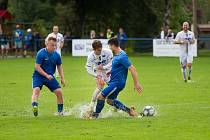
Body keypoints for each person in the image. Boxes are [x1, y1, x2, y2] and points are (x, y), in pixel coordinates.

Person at [91, 38, 143, 118]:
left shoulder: (122, 56)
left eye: (110, 46)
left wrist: (136, 84)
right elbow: (119, 67)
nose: (109, 48)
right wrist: (111, 72)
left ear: (113, 45)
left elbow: (132, 69)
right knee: (110, 101)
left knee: (100, 97)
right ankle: (130, 111)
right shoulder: (117, 55)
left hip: (117, 83)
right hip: (114, 82)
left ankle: (95, 115)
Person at [31, 37, 65, 116]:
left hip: (50, 77)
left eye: (55, 45)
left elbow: (59, 67)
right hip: (38, 76)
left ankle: (60, 112)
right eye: (52, 45)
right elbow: (37, 67)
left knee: (59, 92)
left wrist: (62, 78)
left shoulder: (57, 55)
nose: (54, 47)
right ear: (47, 44)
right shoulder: (41, 53)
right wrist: (46, 75)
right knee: (36, 90)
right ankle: (35, 106)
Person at [86, 40, 113, 111]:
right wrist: (96, 76)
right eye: (98, 50)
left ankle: (115, 105)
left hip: (107, 70)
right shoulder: (90, 56)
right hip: (98, 72)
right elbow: (88, 69)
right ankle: (91, 106)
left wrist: (104, 67)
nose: (100, 51)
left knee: (112, 87)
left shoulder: (108, 52)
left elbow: (112, 63)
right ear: (93, 49)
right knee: (100, 86)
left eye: (101, 49)